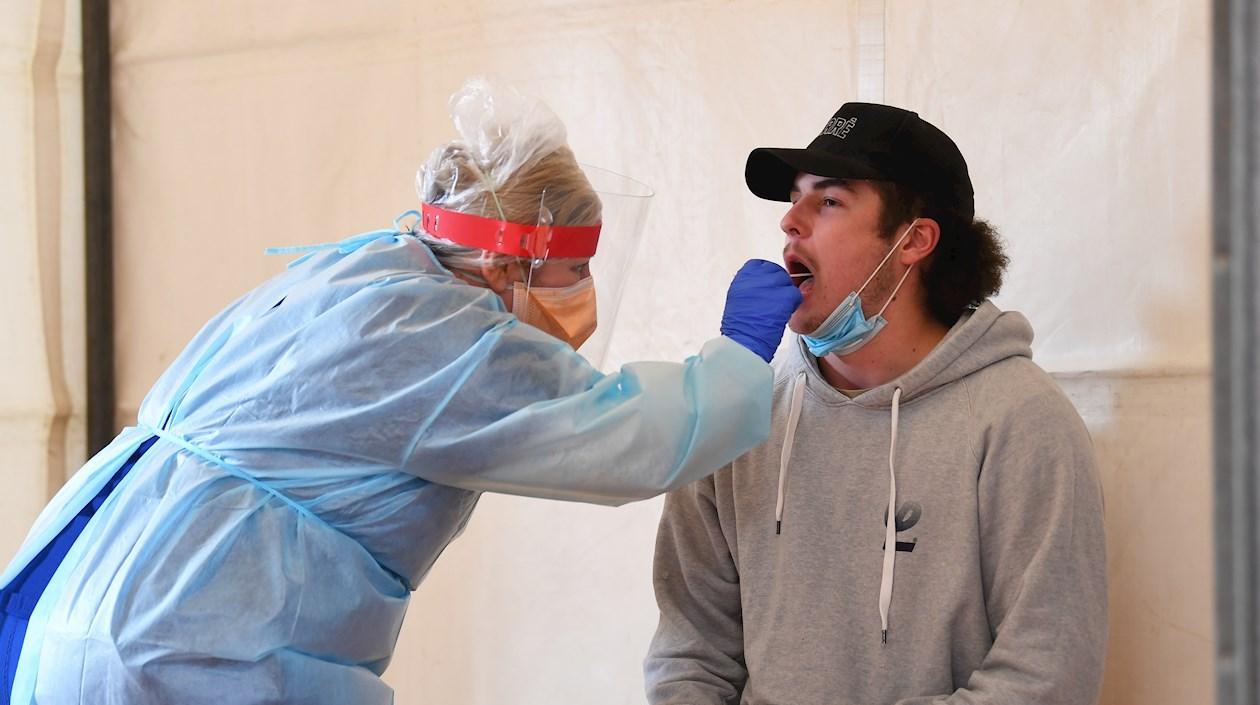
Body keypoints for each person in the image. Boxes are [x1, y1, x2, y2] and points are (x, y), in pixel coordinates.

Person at [0, 80, 802, 705]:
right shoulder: (436, 339)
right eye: (570, 272)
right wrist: (736, 357)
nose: (584, 296)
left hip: (97, 605)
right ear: (502, 263)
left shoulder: (362, 275)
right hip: (186, 648)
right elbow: (630, 442)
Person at [645, 102, 1108, 705]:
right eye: (793, 197)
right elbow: (691, 650)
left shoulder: (1021, 422)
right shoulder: (737, 406)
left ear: (914, 240)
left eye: (829, 201)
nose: (790, 221)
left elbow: (1047, 678)